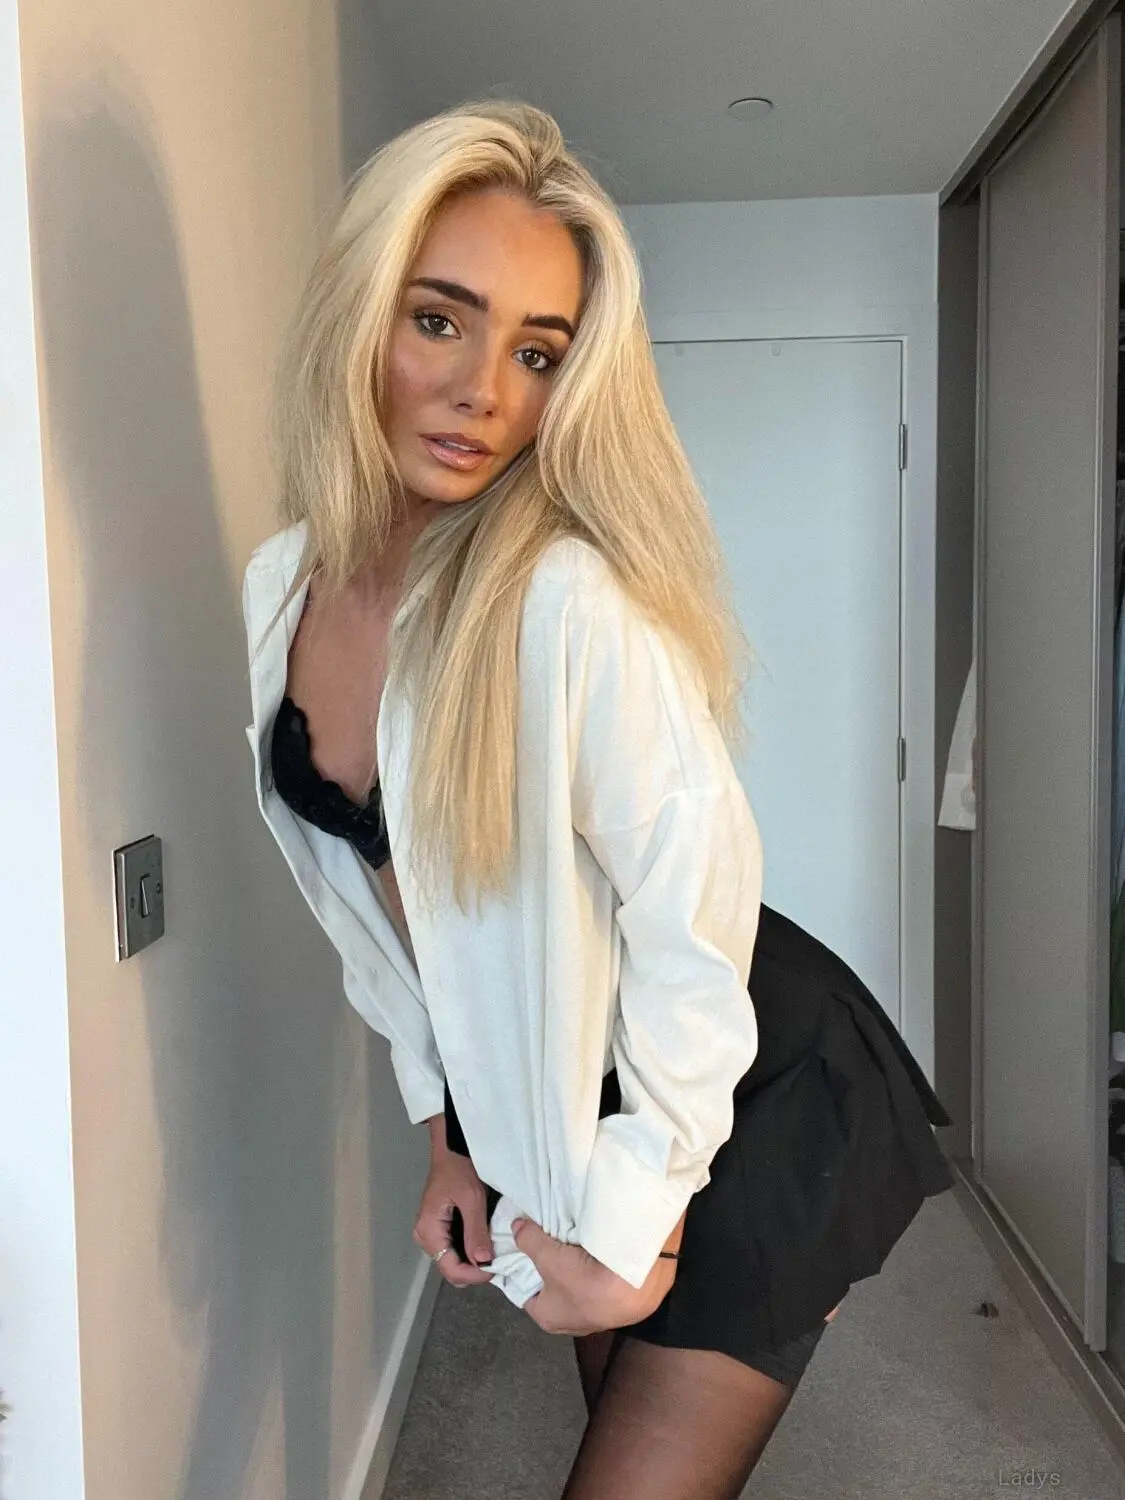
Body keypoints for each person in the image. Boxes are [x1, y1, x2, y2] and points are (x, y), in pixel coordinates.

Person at [242, 98, 952, 1498]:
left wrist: (644, 1221)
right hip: (566, 1076)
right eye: (439, 321)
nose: (485, 391)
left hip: (740, 1076)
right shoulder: (288, 586)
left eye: (538, 352)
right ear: (359, 318)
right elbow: (393, 929)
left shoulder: (562, 599)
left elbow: (693, 915)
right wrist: (450, 1142)